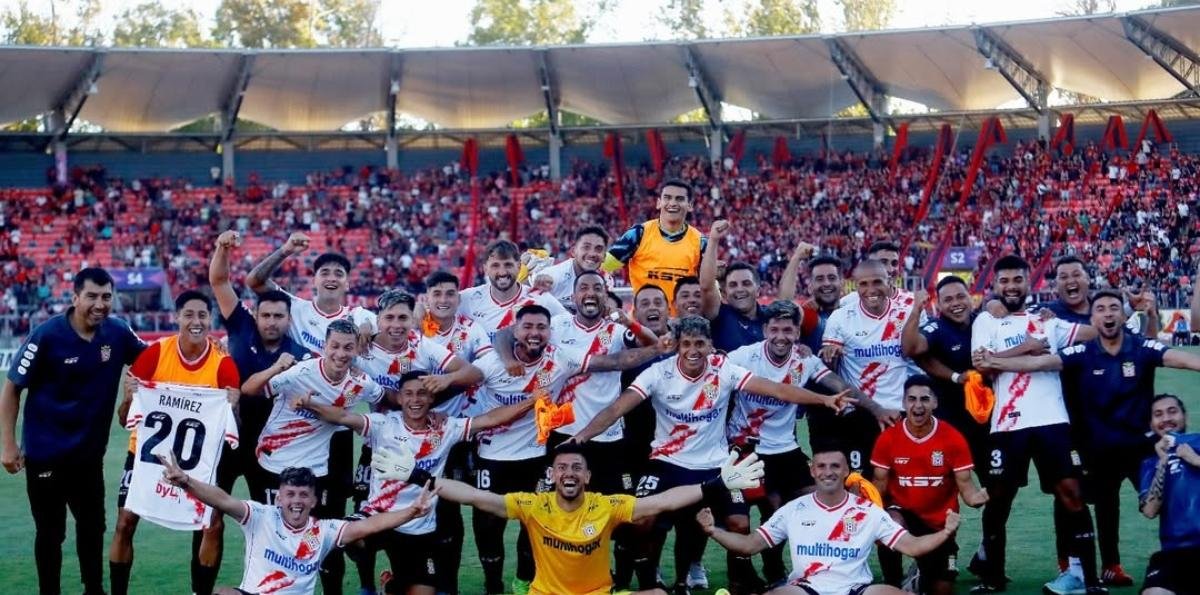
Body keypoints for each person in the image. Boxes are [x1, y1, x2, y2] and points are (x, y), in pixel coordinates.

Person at [572, 315, 855, 594]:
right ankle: (649, 583)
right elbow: (617, 408)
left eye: (700, 344)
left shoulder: (724, 370)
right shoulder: (659, 373)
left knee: (740, 524)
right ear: (677, 346)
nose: (693, 351)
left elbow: (778, 390)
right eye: (686, 344)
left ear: (710, 345)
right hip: (667, 461)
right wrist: (582, 435)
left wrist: (824, 399)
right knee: (641, 519)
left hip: (716, 466)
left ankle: (738, 583)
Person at [975, 289, 1200, 590]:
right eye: (1101, 309)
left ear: (1122, 315)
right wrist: (994, 362)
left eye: (1113, 308)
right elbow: (1040, 364)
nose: (1108, 314)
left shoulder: (1140, 346)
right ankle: (1092, 570)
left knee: (1172, 496)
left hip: (1141, 446)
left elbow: (1180, 358)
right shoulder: (1082, 352)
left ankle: (1182, 557)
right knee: (1094, 505)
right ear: (1092, 318)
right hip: (1099, 447)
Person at [470, 304, 669, 595]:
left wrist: (655, 350)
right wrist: (441, 386)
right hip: (497, 451)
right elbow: (478, 362)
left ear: (549, 332)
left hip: (541, 450)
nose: (535, 332)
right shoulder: (496, 359)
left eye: (541, 328)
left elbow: (615, 360)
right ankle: (495, 584)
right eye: (528, 327)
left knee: (543, 517)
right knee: (489, 520)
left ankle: (537, 579)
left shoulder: (560, 357)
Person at [293, 370, 538, 595]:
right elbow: (343, 416)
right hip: (379, 515)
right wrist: (309, 403)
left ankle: (391, 584)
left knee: (421, 591)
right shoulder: (383, 424)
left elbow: (491, 419)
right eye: (408, 394)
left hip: (419, 524)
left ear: (431, 398)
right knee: (349, 537)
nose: (415, 400)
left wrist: (532, 401)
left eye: (422, 393)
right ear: (399, 398)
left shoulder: (447, 427)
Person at [430, 441, 766, 595]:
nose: (569, 473)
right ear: (552, 475)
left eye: (577, 468)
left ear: (588, 477)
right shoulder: (532, 505)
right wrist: (422, 479)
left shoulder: (605, 505)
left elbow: (662, 502)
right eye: (562, 468)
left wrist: (716, 485)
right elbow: (475, 497)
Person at [245, 232, 377, 594]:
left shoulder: (359, 315)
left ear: (348, 282)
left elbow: (378, 326)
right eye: (324, 272)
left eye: (339, 273)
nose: (331, 278)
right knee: (284, 518)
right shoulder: (298, 308)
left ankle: (339, 587)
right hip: (293, 427)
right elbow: (255, 281)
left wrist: (368, 328)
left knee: (329, 523)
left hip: (336, 436)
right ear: (314, 279)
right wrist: (285, 250)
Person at [1, 268, 146, 595]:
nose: (100, 304)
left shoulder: (118, 332)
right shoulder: (47, 335)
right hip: (46, 456)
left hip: (89, 458)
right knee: (51, 533)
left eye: (106, 296)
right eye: (92, 296)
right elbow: (12, 388)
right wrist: (8, 445)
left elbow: (154, 359)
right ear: (75, 297)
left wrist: (202, 348)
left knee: (93, 528)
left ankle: (93, 590)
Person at [968, 254, 1104, 594]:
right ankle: (992, 577)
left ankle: (1090, 579)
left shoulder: (1048, 321)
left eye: (1018, 280)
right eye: (1004, 281)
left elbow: (1095, 333)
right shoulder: (986, 320)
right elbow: (981, 364)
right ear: (995, 285)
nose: (1011, 286)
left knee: (1072, 495)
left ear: (1030, 283)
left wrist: (1124, 312)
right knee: (998, 500)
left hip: (1052, 422)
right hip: (1006, 425)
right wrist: (1028, 348)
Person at [348, 289, 483, 595]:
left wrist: (445, 382)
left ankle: (436, 582)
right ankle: (367, 584)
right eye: (389, 318)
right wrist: (361, 325)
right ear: (378, 319)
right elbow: (343, 333)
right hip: (380, 443)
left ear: (413, 319)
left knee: (442, 513)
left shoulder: (422, 345)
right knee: (361, 524)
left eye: (403, 318)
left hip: (426, 441)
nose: (396, 325)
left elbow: (473, 372)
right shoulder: (363, 346)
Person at [726, 300, 869, 588]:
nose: (781, 336)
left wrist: (870, 407)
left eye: (788, 330)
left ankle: (818, 566)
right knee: (770, 508)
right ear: (765, 330)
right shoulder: (743, 357)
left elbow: (836, 384)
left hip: (786, 447)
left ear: (797, 333)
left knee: (819, 497)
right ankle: (754, 573)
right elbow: (718, 374)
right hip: (748, 447)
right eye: (775, 329)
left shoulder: (805, 360)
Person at [109, 291, 241, 595]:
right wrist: (128, 397)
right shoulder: (156, 353)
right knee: (125, 522)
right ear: (177, 317)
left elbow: (234, 430)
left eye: (202, 315)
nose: (196, 321)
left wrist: (234, 406)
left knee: (213, 524)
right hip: (146, 457)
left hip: (198, 460)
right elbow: (124, 419)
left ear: (210, 319)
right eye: (189, 314)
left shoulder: (223, 364)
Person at [698, 447, 962, 595]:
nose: (828, 472)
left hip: (856, 590)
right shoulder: (794, 509)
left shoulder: (867, 511)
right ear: (812, 471)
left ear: (846, 471)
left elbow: (912, 546)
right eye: (822, 466)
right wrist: (712, 531)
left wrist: (944, 533)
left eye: (835, 466)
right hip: (806, 589)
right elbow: (750, 545)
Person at [156, 457, 436, 595]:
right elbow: (223, 500)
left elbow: (369, 526)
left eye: (304, 495)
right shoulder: (261, 517)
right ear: (279, 498)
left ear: (314, 500)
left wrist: (411, 511)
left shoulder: (323, 531)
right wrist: (187, 482)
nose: (297, 501)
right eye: (290, 494)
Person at [210, 230, 314, 506]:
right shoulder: (242, 326)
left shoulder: (299, 355)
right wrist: (222, 248)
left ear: (289, 319)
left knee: (270, 516)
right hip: (226, 436)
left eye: (278, 316)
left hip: (270, 447)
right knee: (211, 517)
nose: (271, 321)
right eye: (265, 315)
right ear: (255, 315)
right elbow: (219, 281)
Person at [870, 375, 989, 594]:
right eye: (912, 399)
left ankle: (919, 577)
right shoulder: (888, 438)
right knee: (889, 522)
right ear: (903, 402)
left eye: (924, 399)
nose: (918, 405)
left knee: (943, 588)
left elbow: (967, 488)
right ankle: (892, 582)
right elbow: (879, 489)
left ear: (935, 402)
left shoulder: (953, 438)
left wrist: (977, 498)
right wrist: (870, 517)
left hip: (939, 524)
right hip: (902, 513)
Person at [419, 269, 493, 595]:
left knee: (482, 510)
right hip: (429, 435)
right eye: (437, 294)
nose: (444, 299)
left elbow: (484, 369)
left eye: (450, 293)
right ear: (426, 299)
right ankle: (447, 584)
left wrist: (448, 381)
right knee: (442, 511)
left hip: (468, 432)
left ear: (458, 297)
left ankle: (492, 580)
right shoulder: (416, 330)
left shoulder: (471, 328)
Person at [818, 260, 907, 473]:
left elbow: (921, 357)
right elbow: (830, 368)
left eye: (877, 282)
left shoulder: (906, 314)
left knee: (903, 481)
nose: (871, 290)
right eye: (863, 284)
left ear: (889, 282)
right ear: (855, 285)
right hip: (861, 413)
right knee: (862, 482)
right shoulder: (841, 317)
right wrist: (831, 356)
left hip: (902, 412)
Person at [901, 278, 991, 474]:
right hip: (951, 419)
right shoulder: (937, 328)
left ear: (970, 297)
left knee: (997, 483)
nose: (956, 303)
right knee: (946, 481)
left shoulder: (985, 322)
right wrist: (916, 309)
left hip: (987, 419)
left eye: (960, 296)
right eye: (948, 300)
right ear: (939, 305)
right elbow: (911, 349)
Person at [605, 178, 707, 309]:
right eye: (667, 198)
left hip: (682, 319)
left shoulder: (700, 242)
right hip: (642, 319)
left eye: (679, 199)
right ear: (659, 203)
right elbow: (604, 265)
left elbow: (710, 286)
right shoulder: (638, 234)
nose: (672, 203)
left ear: (690, 205)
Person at [1137, 394, 1200, 595]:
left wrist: (1196, 460)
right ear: (1151, 424)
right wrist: (1162, 464)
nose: (1166, 418)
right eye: (1158, 414)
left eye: (1172, 411)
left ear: (1185, 416)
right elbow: (1149, 510)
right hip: (1175, 552)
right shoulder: (1150, 464)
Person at [458, 240, 568, 340]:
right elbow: (448, 334)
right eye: (495, 266)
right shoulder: (467, 299)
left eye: (508, 265)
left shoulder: (540, 299)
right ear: (485, 269)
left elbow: (570, 328)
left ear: (519, 266)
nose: (502, 272)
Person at [699, 220, 771, 353]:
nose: (740, 289)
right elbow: (706, 287)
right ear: (724, 293)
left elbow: (787, 304)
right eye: (733, 285)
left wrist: (796, 258)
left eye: (746, 283)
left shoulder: (770, 315)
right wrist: (713, 240)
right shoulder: (720, 315)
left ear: (758, 291)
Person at [533, 225, 614, 306]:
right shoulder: (553, 277)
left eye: (598, 249)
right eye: (586, 247)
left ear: (604, 257)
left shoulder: (606, 280)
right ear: (573, 251)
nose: (592, 254)